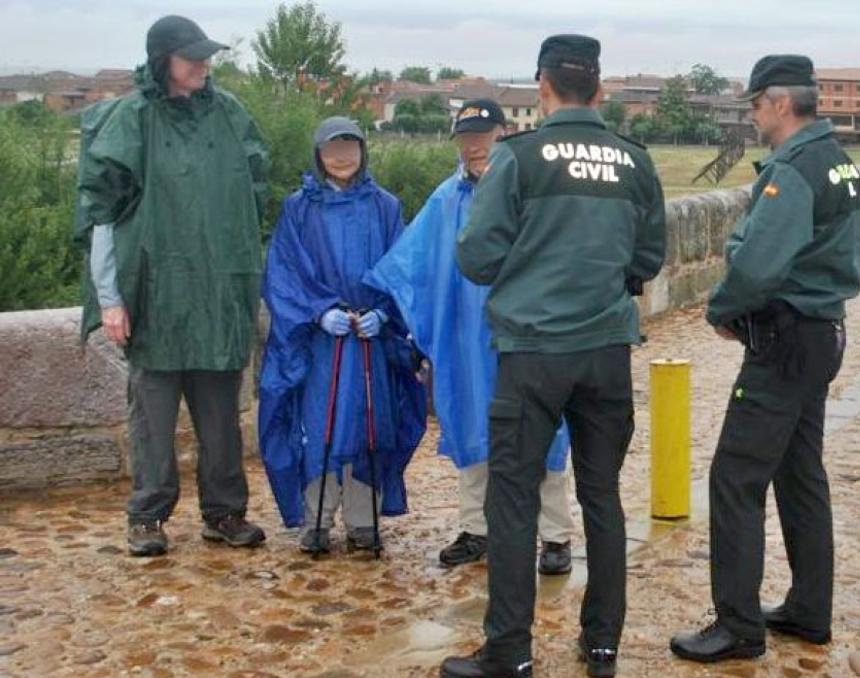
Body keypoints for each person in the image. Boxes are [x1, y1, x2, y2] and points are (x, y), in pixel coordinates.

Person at [438, 34, 666, 678]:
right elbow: (648, 258)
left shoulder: (520, 157)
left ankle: (508, 658)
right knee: (603, 497)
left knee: (512, 504)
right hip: (604, 354)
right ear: (598, 89)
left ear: (542, 87)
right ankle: (601, 644)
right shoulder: (632, 160)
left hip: (532, 354)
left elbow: (475, 257)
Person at [669, 54, 860, 663]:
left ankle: (738, 626)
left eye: (755, 104)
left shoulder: (796, 169)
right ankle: (809, 609)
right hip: (821, 333)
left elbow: (758, 262)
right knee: (801, 475)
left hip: (784, 343)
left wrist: (722, 310)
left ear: (780, 103)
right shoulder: (838, 163)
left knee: (735, 477)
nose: (752, 115)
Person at [78, 15, 269, 557]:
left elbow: (250, 203)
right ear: (164, 60)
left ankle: (225, 512)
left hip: (216, 296)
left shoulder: (230, 115)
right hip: (155, 297)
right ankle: (147, 517)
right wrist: (111, 298)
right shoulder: (130, 119)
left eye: (206, 57)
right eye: (193, 58)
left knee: (220, 419)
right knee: (153, 421)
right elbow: (104, 217)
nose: (204, 66)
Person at [364, 100, 576, 573]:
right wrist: (396, 317)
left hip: (527, 334)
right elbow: (412, 263)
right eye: (466, 138)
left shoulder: (533, 191)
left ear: (505, 135)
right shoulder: (445, 199)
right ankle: (476, 528)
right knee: (470, 425)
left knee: (542, 428)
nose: (476, 146)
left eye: (484, 135)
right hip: (464, 336)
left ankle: (555, 535)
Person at [258, 117, 425, 554]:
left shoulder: (385, 206)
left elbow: (402, 266)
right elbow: (283, 271)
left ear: (363, 151)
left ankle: (363, 519)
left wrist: (385, 315)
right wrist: (317, 312)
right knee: (318, 427)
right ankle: (316, 517)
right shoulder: (299, 208)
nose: (342, 157)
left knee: (370, 426)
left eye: (350, 147)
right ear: (318, 153)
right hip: (320, 344)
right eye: (333, 148)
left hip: (370, 342)